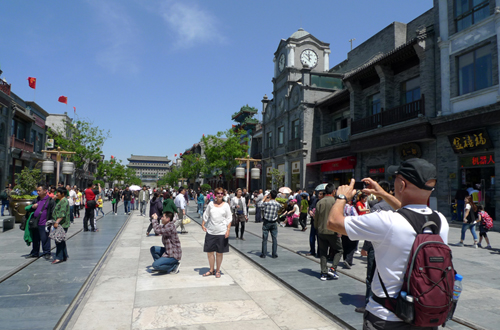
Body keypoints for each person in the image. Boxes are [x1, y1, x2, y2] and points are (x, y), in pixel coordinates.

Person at [327, 158, 449, 329]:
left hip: (385, 318)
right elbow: (408, 212)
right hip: (424, 316)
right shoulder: (440, 221)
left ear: (402, 185)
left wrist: (341, 197)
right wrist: (383, 194)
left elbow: (333, 222)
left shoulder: (386, 221)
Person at [356, 181, 393, 314]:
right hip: (392, 247)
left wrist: (365, 246)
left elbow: (372, 229)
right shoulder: (396, 206)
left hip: (375, 246)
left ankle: (368, 303)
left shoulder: (377, 207)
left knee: (371, 276)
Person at [201, 187, 232, 278]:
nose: (220, 195)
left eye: (221, 193)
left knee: (219, 252)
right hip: (211, 231)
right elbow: (206, 215)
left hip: (221, 232)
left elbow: (229, 218)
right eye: (218, 193)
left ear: (223, 195)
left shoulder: (226, 205)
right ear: (215, 194)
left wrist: (228, 230)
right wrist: (203, 224)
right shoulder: (211, 204)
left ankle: (218, 270)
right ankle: (211, 270)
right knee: (210, 252)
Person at [315, 183, 342, 281]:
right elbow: (339, 217)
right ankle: (333, 268)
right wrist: (340, 230)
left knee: (323, 252)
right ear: (334, 191)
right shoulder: (336, 201)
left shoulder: (320, 202)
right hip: (332, 231)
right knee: (339, 250)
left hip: (321, 230)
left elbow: (316, 218)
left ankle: (323, 273)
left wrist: (317, 228)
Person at [26, 185, 56, 260]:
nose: (38, 192)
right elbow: (29, 209)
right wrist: (32, 207)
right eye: (37, 191)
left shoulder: (50, 201)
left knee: (45, 238)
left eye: (39, 190)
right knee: (35, 239)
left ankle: (46, 252)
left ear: (45, 190)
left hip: (44, 223)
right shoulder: (36, 200)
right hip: (35, 222)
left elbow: (53, 212)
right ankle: (35, 252)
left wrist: (51, 222)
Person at [51, 187, 71, 264]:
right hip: (61, 223)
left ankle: (59, 257)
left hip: (62, 224)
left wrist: (57, 222)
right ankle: (64, 255)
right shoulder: (61, 200)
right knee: (61, 240)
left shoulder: (64, 201)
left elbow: (62, 213)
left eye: (58, 193)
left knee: (58, 240)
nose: (56, 194)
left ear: (62, 194)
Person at [260, 190, 281, 258]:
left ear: (270, 195)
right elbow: (280, 207)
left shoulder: (267, 203)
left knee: (265, 238)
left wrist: (264, 198)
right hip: (274, 223)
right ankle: (274, 254)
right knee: (274, 238)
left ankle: (264, 254)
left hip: (266, 222)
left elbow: (259, 205)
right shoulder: (277, 204)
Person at [306, 190, 323, 257]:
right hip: (313, 222)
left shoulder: (324, 202)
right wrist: (310, 211)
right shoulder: (315, 201)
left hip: (320, 223)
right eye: (319, 194)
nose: (319, 195)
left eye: (321, 194)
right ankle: (312, 251)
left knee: (319, 238)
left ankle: (319, 252)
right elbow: (311, 207)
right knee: (312, 237)